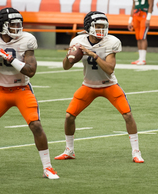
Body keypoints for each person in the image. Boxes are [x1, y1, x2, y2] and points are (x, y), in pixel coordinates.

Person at [0, 8, 59, 179]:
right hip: (0, 90)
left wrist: (9, 58)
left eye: (19, 23)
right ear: (2, 26)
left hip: (21, 90)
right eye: (13, 24)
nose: (18, 27)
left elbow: (31, 71)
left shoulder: (27, 40)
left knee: (36, 125)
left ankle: (48, 168)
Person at [55, 11, 144, 163]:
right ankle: (69, 150)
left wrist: (93, 54)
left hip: (109, 85)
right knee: (69, 116)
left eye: (104, 26)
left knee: (128, 115)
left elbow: (110, 69)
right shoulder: (78, 40)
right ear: (89, 27)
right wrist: (69, 56)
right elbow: (66, 67)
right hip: (88, 85)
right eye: (98, 26)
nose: (101, 30)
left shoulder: (111, 41)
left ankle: (136, 151)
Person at [128, 0, 154, 65]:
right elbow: (133, 5)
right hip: (135, 15)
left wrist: (148, 18)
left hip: (144, 14)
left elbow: (151, 4)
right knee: (138, 37)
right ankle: (140, 58)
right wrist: (130, 20)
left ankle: (143, 59)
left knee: (143, 36)